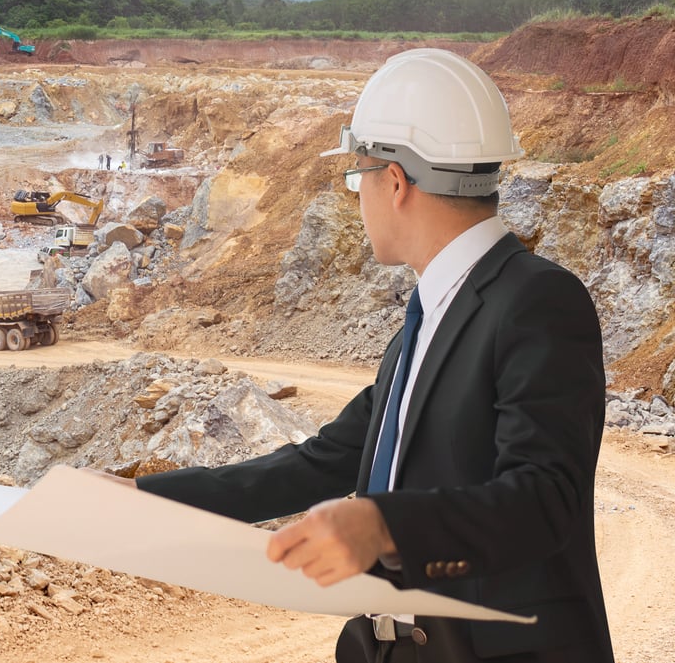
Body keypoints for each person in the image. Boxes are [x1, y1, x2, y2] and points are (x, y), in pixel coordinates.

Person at [131, 49, 613, 662]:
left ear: (394, 181)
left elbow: (545, 499)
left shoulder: (537, 299)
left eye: (357, 177)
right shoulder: (429, 319)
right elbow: (321, 463)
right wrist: (140, 500)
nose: (358, 198)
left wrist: (385, 525)